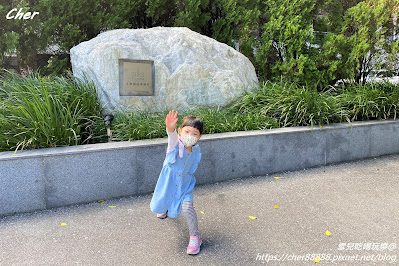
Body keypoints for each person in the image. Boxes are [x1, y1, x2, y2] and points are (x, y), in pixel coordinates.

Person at [150, 110, 203, 255]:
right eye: (186, 131)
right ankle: (164, 209)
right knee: (165, 197)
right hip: (169, 181)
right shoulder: (174, 144)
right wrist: (170, 128)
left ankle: (195, 236)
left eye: (194, 134)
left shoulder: (196, 150)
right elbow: (171, 135)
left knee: (187, 208)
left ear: (199, 137)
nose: (190, 136)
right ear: (180, 131)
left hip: (185, 185)